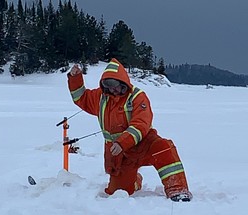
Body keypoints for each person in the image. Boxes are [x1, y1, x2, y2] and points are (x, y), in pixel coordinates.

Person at [67, 58, 192, 201]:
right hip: (119, 154)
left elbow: (141, 124)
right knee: (117, 193)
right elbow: (81, 98)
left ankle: (177, 190)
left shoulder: (137, 97)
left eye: (115, 85)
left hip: (143, 144)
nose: (112, 89)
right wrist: (75, 77)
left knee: (164, 148)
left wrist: (122, 142)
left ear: (123, 83)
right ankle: (134, 180)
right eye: (107, 85)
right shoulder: (101, 98)